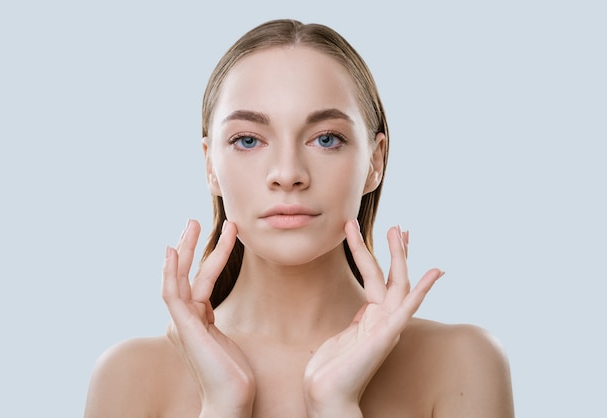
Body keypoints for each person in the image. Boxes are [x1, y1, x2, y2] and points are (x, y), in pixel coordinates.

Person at [84, 19, 514, 417]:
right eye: (248, 140)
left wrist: (336, 404)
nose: (288, 173)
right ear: (209, 165)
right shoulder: (129, 376)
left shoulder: (462, 362)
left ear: (375, 161)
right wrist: (221, 403)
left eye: (326, 139)